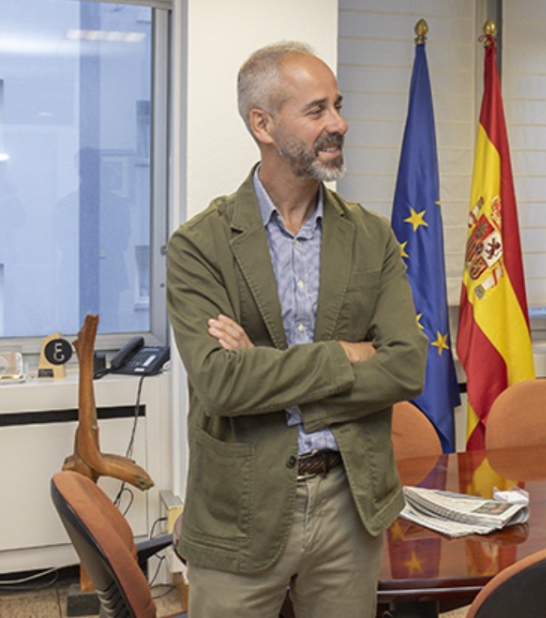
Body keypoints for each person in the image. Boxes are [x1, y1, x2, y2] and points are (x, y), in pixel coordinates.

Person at [166, 42, 426, 618]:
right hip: (239, 505)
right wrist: (343, 354)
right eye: (316, 111)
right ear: (262, 124)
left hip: (350, 501)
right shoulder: (199, 243)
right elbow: (220, 385)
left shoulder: (372, 236)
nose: (339, 123)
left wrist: (264, 368)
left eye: (337, 105)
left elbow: (407, 366)